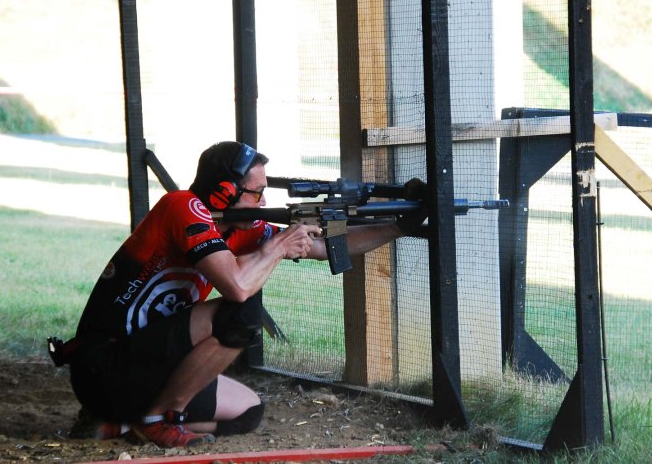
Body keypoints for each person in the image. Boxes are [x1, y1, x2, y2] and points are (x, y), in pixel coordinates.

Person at [63, 141, 422, 448]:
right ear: (224, 192)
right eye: (257, 192)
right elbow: (236, 287)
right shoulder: (182, 207)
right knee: (241, 313)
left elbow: (325, 246)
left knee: (249, 411)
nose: (263, 200)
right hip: (103, 367)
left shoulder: (237, 228)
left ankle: (123, 424)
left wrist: (398, 225)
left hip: (150, 369)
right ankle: (160, 418)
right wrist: (279, 245)